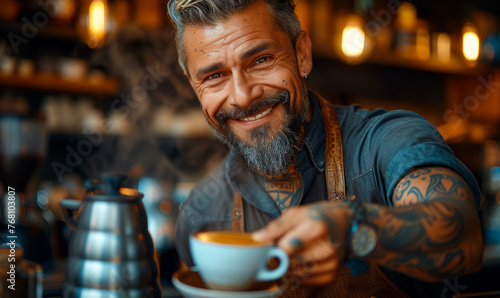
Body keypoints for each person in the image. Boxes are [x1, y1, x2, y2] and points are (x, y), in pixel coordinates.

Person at [167, 0, 484, 296]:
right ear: (192, 84)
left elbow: (464, 240)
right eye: (214, 76)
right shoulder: (200, 213)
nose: (242, 96)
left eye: (261, 60)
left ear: (301, 53)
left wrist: (350, 228)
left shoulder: (385, 141)